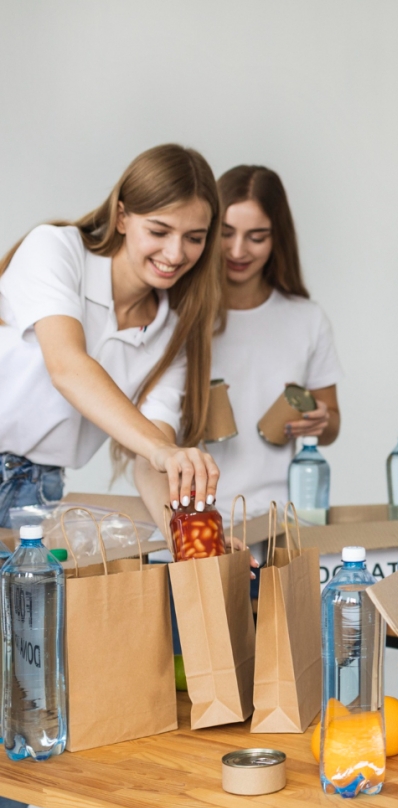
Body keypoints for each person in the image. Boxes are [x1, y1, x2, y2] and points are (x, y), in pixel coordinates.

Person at [0, 144, 225, 527]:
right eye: (159, 230)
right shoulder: (55, 250)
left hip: (36, 490)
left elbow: (150, 462)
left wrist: (192, 545)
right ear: (122, 216)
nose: (175, 253)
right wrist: (162, 450)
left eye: (194, 237)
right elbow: (67, 366)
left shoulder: (173, 334)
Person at [208, 165, 342, 520]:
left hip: (280, 521)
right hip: (198, 521)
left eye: (256, 236)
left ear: (277, 237)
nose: (238, 250)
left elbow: (332, 424)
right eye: (226, 233)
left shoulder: (306, 318)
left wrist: (320, 421)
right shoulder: (182, 317)